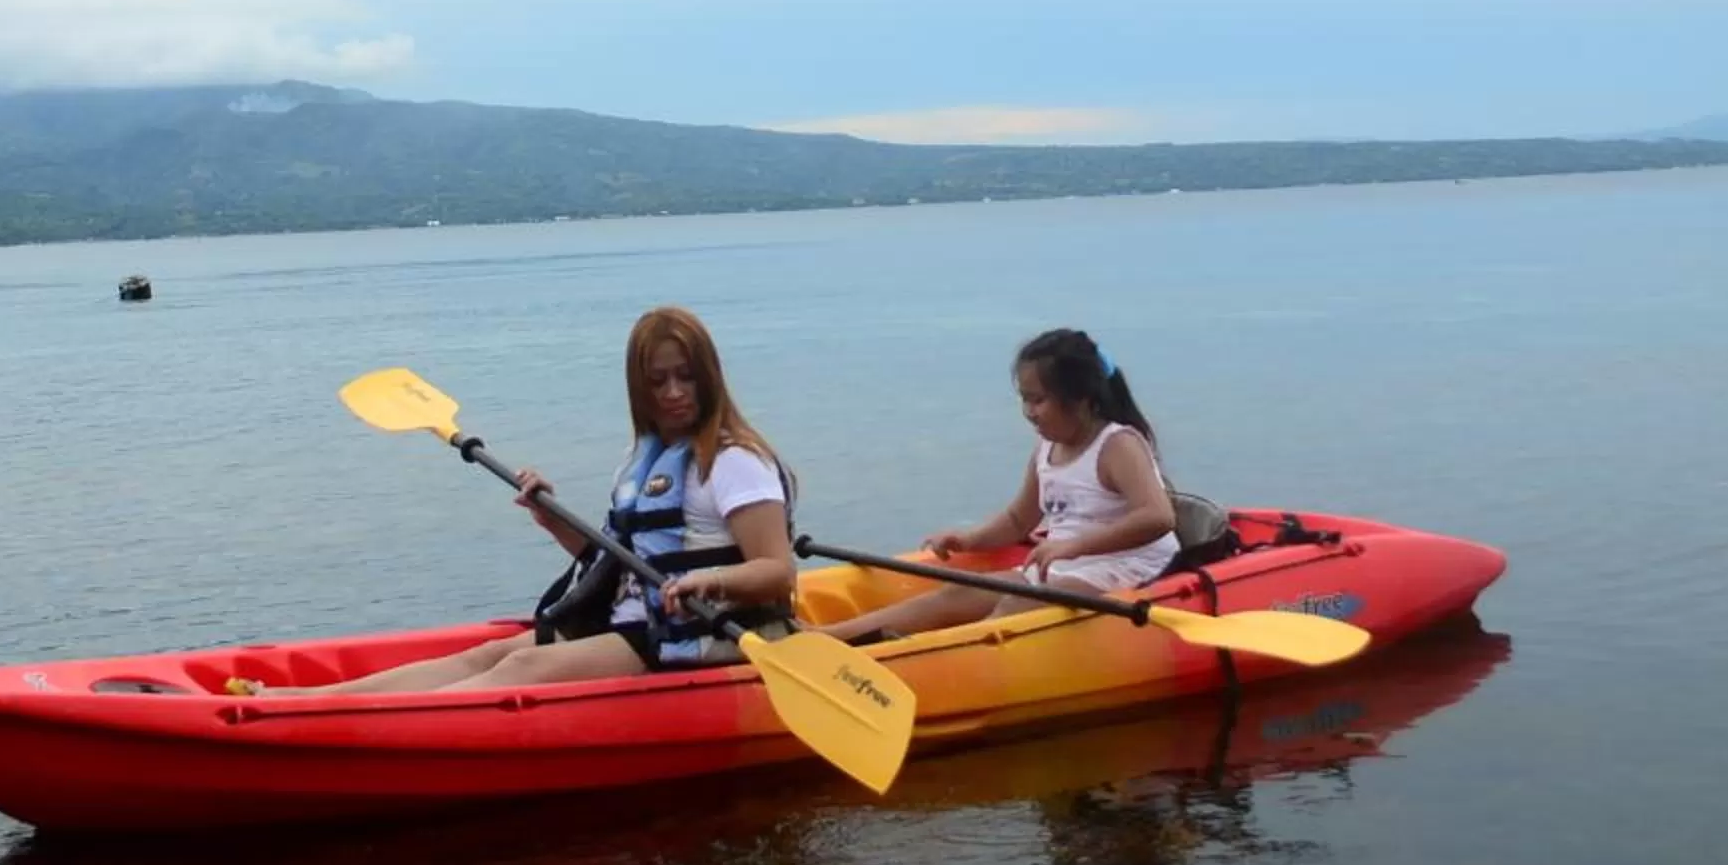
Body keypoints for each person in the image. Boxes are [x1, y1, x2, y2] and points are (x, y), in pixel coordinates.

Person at [278, 306, 800, 694]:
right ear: (639, 388)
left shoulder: (734, 461)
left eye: (686, 376)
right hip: (637, 625)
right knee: (491, 654)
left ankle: (368, 726)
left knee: (523, 667)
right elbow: (616, 563)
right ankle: (309, 701)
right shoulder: (642, 460)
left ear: (709, 378)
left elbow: (777, 572)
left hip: (703, 634)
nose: (673, 392)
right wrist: (552, 517)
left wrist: (709, 581)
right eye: (657, 380)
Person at [819, 328, 1177, 644]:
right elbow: (1018, 520)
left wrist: (1073, 546)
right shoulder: (1047, 449)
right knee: (957, 594)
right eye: (1024, 399)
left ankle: (921, 658)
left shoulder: (1117, 445)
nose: (1029, 411)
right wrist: (969, 539)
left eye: (1039, 400)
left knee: (1017, 604)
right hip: (1066, 563)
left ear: (1081, 398)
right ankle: (830, 637)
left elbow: (1158, 517)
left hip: (1129, 565)